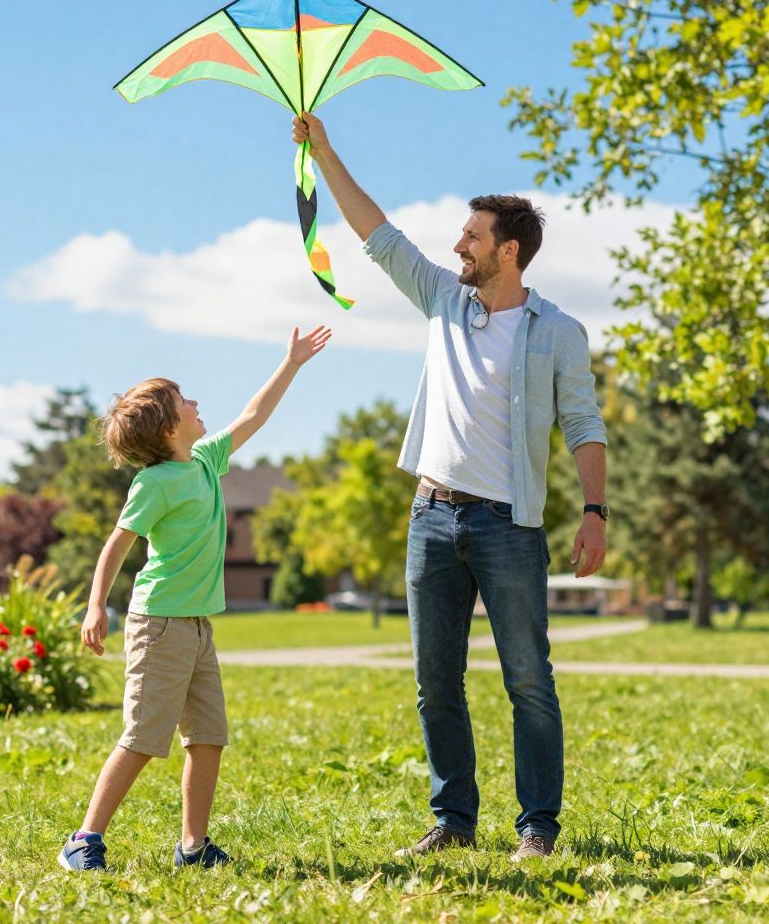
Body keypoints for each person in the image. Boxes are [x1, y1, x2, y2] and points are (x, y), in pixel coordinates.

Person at [292, 113, 607, 862]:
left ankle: (537, 826)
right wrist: (326, 150)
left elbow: (584, 425)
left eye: (471, 236)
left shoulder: (556, 330)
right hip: (430, 518)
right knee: (437, 684)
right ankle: (454, 821)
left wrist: (594, 512)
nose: (456, 245)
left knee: (528, 680)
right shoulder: (444, 300)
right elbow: (378, 235)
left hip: (509, 527)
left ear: (509, 250)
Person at [57, 325, 333, 872]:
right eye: (185, 399)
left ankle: (194, 846)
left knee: (208, 738)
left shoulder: (204, 460)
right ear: (165, 427)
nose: (197, 402)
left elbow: (253, 415)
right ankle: (84, 840)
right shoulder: (154, 482)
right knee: (141, 739)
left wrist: (292, 363)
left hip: (197, 626)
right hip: (159, 624)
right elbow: (118, 544)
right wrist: (95, 607)